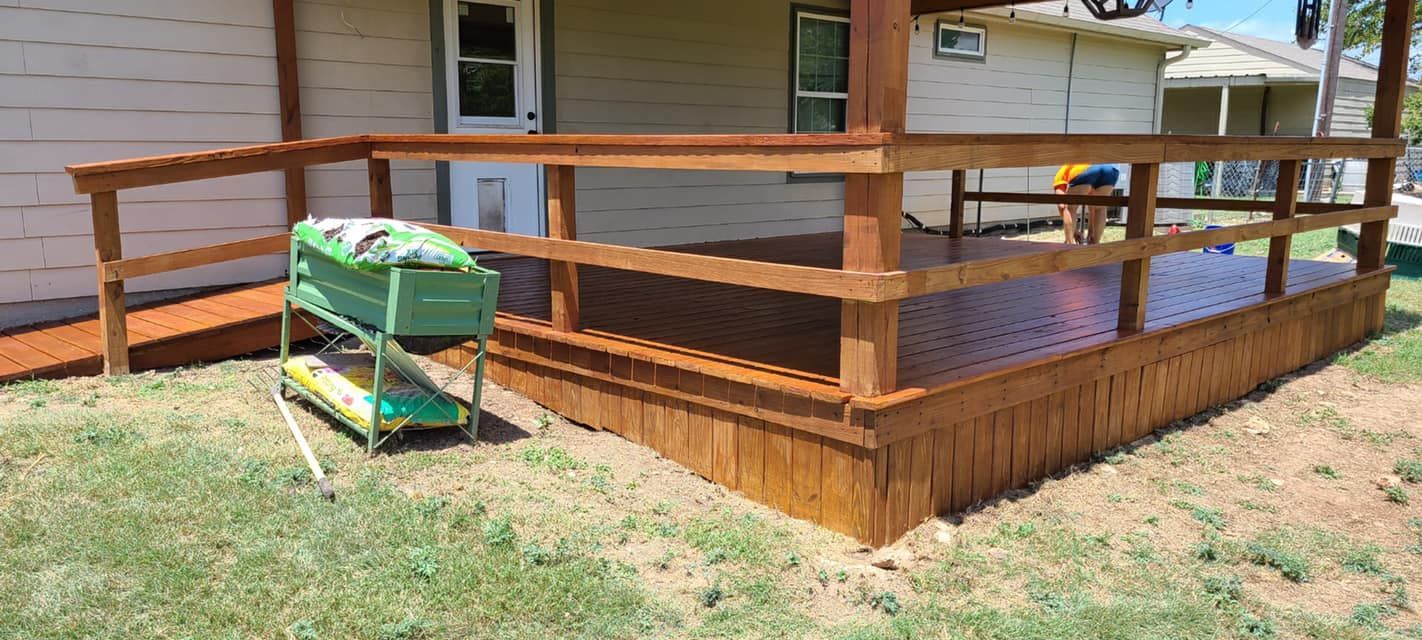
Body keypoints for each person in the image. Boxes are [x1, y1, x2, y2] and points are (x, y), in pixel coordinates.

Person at [1053, 163, 1120, 245]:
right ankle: (1095, 244)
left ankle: (1069, 244)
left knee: (1071, 207)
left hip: (1086, 167)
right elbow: (1092, 209)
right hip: (1111, 168)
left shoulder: (1060, 176)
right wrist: (1090, 232)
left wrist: (1073, 232)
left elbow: (1062, 205)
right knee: (1100, 207)